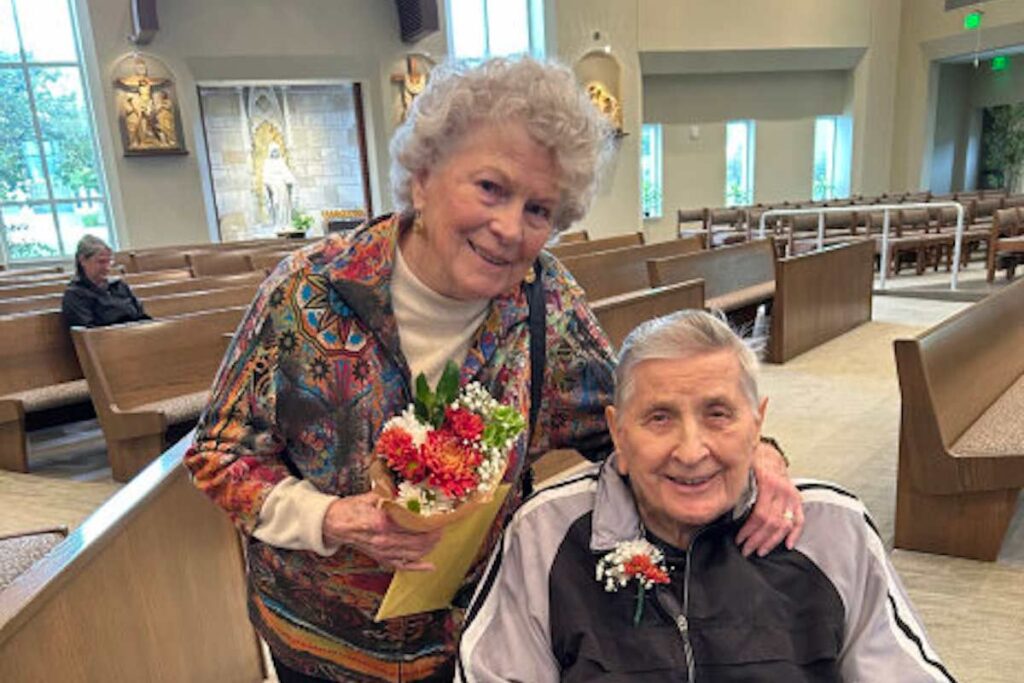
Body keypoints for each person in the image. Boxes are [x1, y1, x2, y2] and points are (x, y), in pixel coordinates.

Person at [185, 57, 802, 682]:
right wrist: (330, 519)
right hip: (321, 642)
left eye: (539, 210)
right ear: (423, 177)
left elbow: (638, 425)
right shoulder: (308, 292)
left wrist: (757, 455)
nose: (509, 227)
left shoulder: (547, 304)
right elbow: (218, 453)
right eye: (490, 188)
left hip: (482, 635)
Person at [457, 310, 954, 682]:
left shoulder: (832, 527)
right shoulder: (545, 533)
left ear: (757, 424)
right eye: (659, 418)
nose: (692, 452)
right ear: (618, 433)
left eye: (718, 414)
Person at [61, 235, 150, 329]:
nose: (107, 268)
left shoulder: (119, 286)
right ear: (83, 260)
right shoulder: (75, 295)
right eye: (101, 262)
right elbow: (89, 334)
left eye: (109, 262)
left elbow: (141, 316)